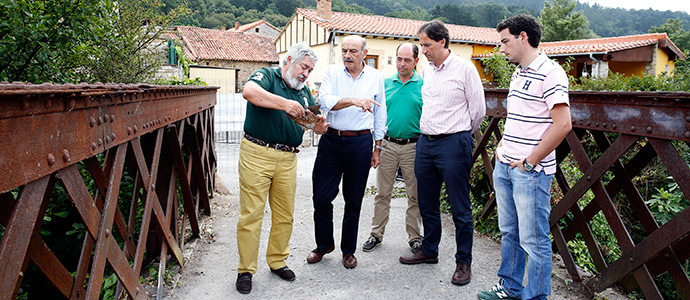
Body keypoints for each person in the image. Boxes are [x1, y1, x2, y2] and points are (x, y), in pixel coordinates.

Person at [477, 14, 571, 300]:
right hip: (506, 165)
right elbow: (520, 118)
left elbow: (563, 124)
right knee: (510, 231)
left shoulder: (551, 72)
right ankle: (510, 287)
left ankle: (536, 296)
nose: (501, 48)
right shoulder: (518, 72)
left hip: (530, 171)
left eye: (505, 41)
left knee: (534, 239)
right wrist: (503, 146)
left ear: (523, 38)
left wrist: (530, 161)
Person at [235, 42, 328, 294]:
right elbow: (249, 92)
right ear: (288, 60)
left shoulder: (304, 91)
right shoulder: (267, 75)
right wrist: (283, 103)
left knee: (285, 214)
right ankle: (246, 269)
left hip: (288, 158)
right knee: (252, 214)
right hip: (257, 152)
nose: (306, 74)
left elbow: (306, 124)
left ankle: (277, 261)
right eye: (304, 67)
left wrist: (317, 127)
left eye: (309, 70)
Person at [399, 20, 485, 288]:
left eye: (426, 45)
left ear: (442, 42)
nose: (422, 50)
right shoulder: (427, 70)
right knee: (427, 202)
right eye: (421, 44)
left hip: (453, 143)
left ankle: (464, 261)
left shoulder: (465, 69)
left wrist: (458, 136)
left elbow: (478, 111)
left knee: (460, 207)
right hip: (426, 143)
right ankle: (429, 250)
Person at [307, 35, 387, 269]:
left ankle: (348, 250)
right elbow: (325, 101)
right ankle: (324, 245)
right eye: (344, 51)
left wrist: (377, 147)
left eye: (353, 51)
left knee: (353, 200)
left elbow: (380, 114)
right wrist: (354, 101)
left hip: (361, 142)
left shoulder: (376, 77)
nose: (347, 56)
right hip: (332, 140)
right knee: (321, 197)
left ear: (364, 52)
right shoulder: (332, 71)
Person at [362, 42, 423, 253]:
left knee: (414, 195)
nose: (402, 63)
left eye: (407, 59)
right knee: (382, 193)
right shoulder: (385, 83)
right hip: (387, 145)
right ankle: (376, 234)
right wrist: (375, 146)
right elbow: (376, 116)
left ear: (416, 61)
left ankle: (415, 237)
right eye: (399, 59)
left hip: (413, 147)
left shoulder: (424, 85)